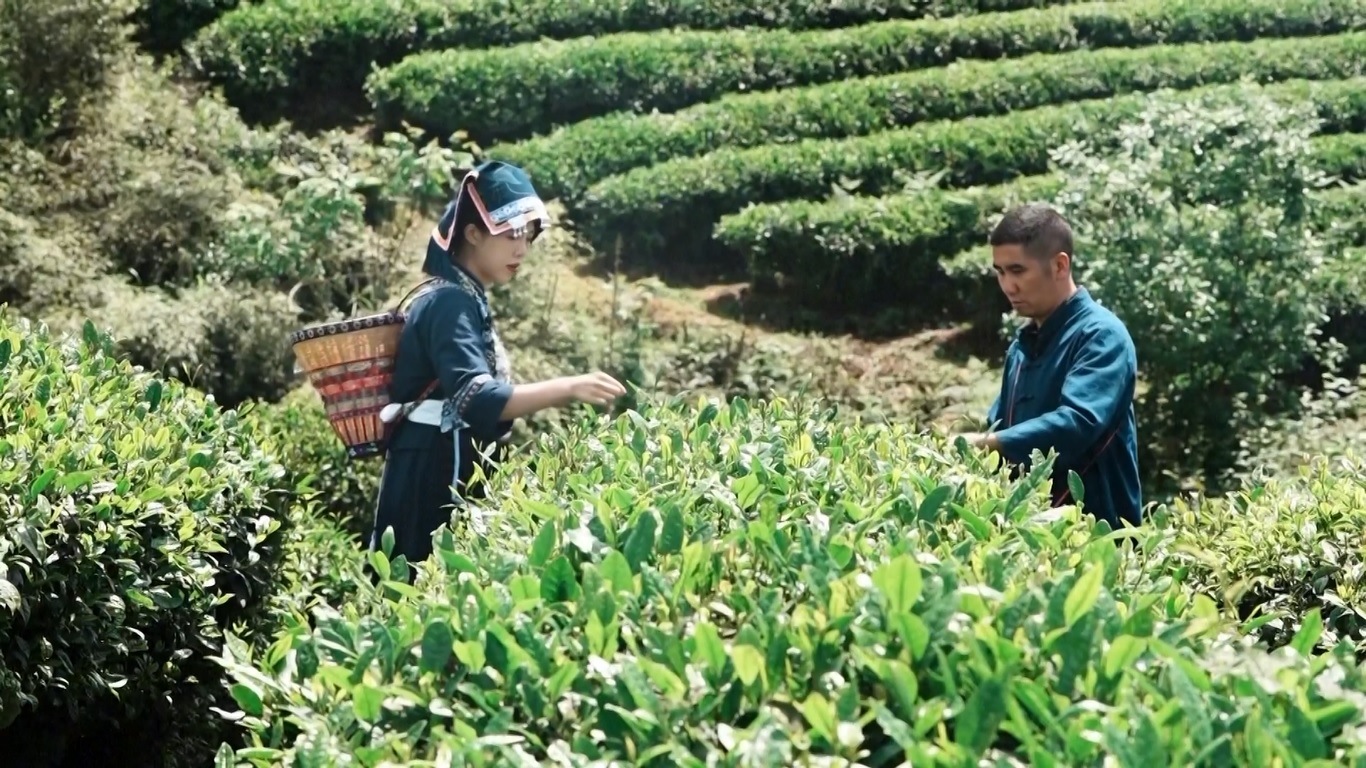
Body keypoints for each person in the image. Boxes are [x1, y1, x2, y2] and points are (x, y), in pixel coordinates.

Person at [369, 160, 626, 565]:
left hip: (441, 460)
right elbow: (477, 397)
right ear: (472, 233)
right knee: (419, 586)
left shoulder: (465, 297)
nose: (521, 249)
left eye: (527, 236)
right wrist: (569, 388)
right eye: (510, 235)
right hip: (433, 470)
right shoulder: (449, 301)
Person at [960, 203, 1143, 529]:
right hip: (1031, 540)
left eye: (1018, 271)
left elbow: (1078, 422)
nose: (1007, 286)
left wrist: (986, 443)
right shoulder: (1020, 348)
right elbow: (998, 427)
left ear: (1059, 266)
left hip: (1098, 543)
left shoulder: (1101, 336)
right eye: (1000, 272)